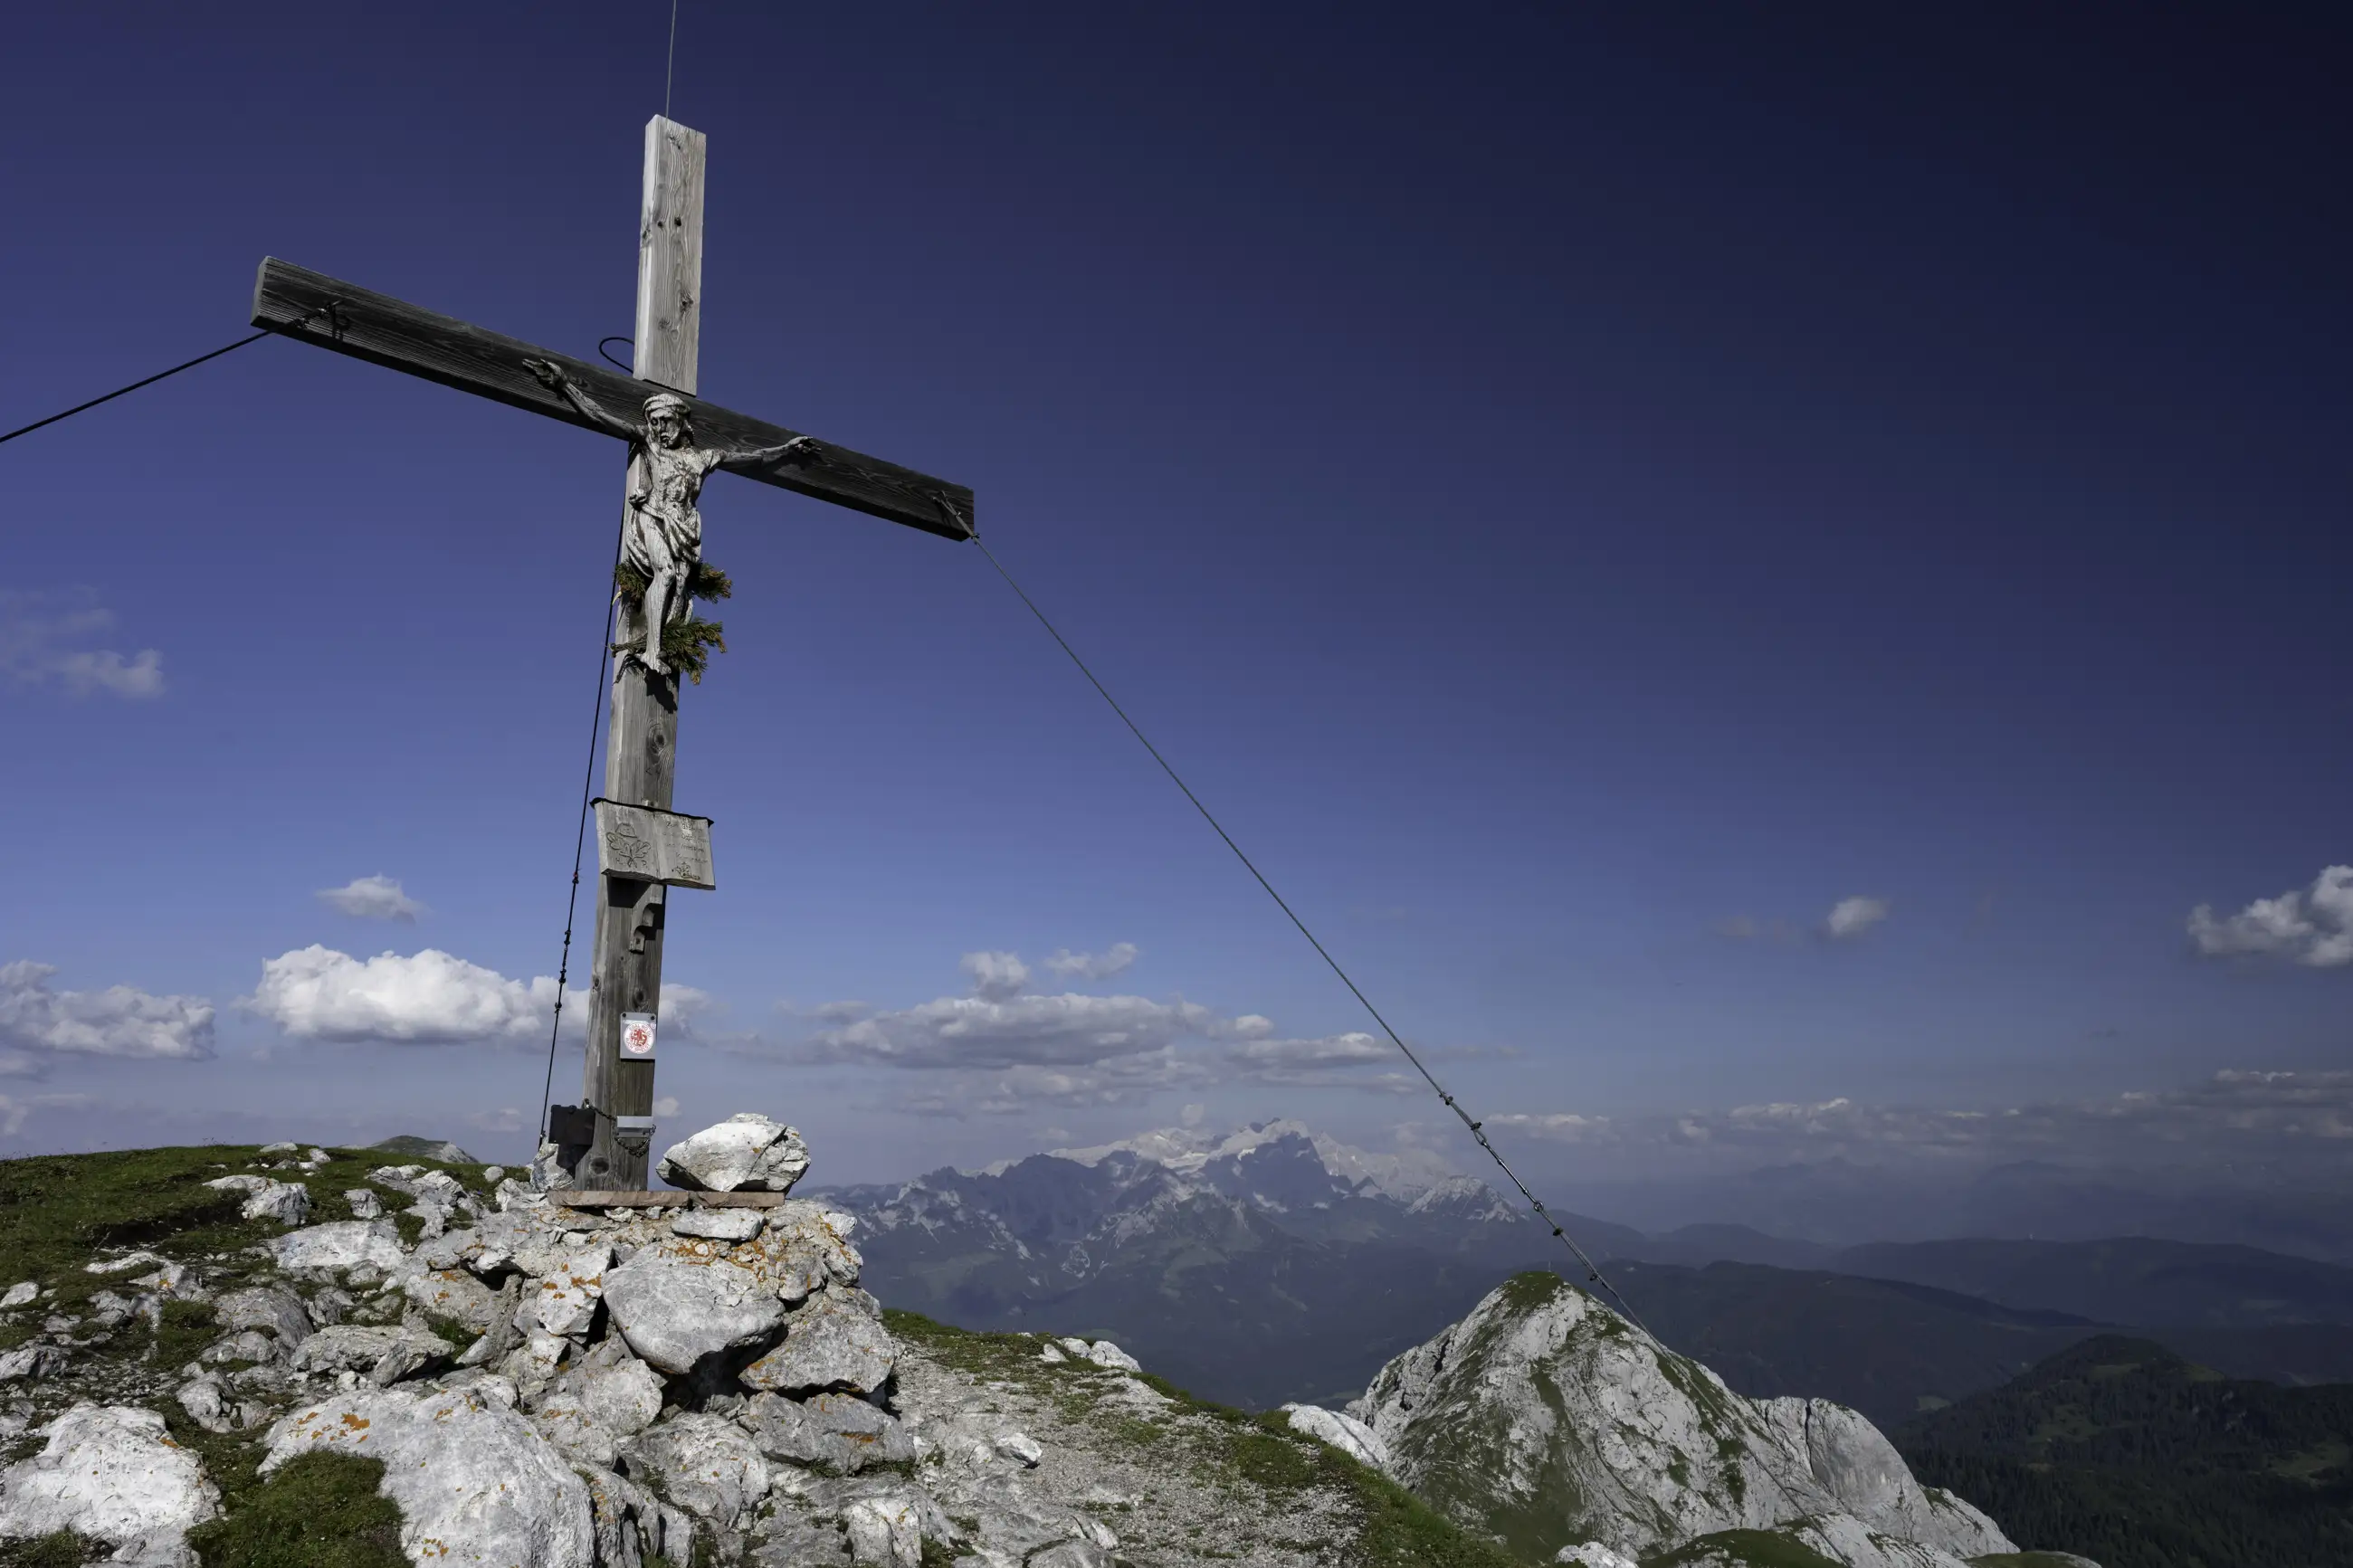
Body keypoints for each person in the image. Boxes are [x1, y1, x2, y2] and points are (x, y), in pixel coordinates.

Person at [524, 359, 820, 674]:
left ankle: (660, 638)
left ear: (680, 421)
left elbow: (752, 458)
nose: (658, 428)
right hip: (652, 516)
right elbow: (600, 416)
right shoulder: (651, 445)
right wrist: (564, 385)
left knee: (678, 588)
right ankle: (653, 652)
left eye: (665, 420)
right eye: (653, 421)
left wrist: (786, 451)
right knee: (663, 573)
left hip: (684, 527)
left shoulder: (703, 458)